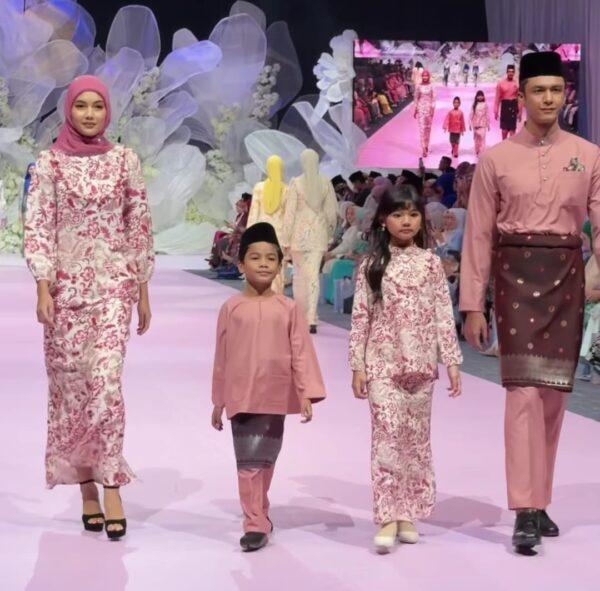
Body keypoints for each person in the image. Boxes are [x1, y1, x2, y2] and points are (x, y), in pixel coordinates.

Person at [460, 51, 600, 552]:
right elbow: (478, 234)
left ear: (565, 95)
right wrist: (472, 304)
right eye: (538, 91)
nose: (548, 99)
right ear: (521, 97)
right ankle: (524, 507)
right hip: (515, 278)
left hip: (566, 277)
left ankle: (540, 501)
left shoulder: (588, 154)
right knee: (522, 394)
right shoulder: (496, 159)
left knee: (553, 396)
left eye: (556, 90)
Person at [23, 75, 154, 540]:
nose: (91, 114)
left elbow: (138, 223)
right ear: (69, 110)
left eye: (98, 106)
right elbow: (39, 225)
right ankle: (86, 489)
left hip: (113, 287)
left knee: (106, 384)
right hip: (66, 293)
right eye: (82, 106)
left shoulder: (124, 161)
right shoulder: (49, 163)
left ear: (108, 111)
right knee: (72, 391)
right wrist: (43, 286)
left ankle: (112, 483)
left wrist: (142, 287)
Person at [350, 185, 462, 553]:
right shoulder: (372, 264)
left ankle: (407, 512)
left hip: (422, 366)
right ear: (383, 219)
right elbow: (361, 316)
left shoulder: (430, 263)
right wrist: (357, 365)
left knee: (415, 441)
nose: (406, 221)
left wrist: (452, 361)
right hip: (382, 363)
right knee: (386, 439)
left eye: (413, 214)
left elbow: (443, 313)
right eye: (398, 214)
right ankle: (387, 515)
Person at [211, 222, 326, 552]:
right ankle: (254, 523)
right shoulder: (231, 308)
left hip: (275, 394)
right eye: (255, 257)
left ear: (280, 265)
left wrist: (306, 392)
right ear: (241, 264)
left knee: (265, 459)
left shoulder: (288, 309)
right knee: (247, 461)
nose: (263, 264)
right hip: (241, 395)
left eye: (271, 258)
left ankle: (260, 511)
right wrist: (219, 399)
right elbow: (222, 356)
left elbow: (301, 352)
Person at [282, 149, 338, 333]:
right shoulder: (326, 182)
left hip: (299, 234)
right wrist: (330, 234)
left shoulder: (296, 183)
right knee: (313, 275)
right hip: (319, 234)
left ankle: (300, 315)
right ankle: (311, 317)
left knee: (299, 275)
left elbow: (290, 213)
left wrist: (285, 239)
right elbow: (332, 213)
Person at [248, 155, 288, 294]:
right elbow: (289, 217)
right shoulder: (286, 189)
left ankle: (261, 296)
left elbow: (253, 213)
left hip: (261, 234)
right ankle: (276, 297)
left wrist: (249, 236)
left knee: (260, 266)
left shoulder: (259, 188)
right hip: (279, 235)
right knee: (277, 268)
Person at [495, 64, 521, 140]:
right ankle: (504, 145)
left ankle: (511, 146)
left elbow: (520, 98)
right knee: (504, 131)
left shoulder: (517, 83)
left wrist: (520, 112)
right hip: (505, 106)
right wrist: (496, 111)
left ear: (514, 73)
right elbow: (497, 98)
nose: (511, 73)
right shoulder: (501, 83)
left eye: (512, 72)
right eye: (509, 71)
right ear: (507, 72)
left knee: (512, 131)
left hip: (513, 106)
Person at [413, 70, 436, 158]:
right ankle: (423, 148)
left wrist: (433, 108)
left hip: (429, 110)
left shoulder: (432, 86)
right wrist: (416, 109)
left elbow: (434, 98)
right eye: (423, 76)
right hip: (421, 109)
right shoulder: (418, 86)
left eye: (426, 76)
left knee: (428, 129)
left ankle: (427, 145)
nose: (425, 77)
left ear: (429, 76)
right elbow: (416, 97)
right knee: (422, 129)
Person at [470, 90, 491, 157]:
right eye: (478, 96)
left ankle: (482, 153)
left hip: (483, 124)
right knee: (476, 139)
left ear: (483, 96)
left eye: (481, 95)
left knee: (482, 139)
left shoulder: (485, 104)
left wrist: (488, 124)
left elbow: (487, 114)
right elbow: (471, 114)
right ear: (476, 97)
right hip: (475, 124)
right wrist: (470, 124)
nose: (480, 97)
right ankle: (477, 151)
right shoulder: (474, 105)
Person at [21, 163, 36, 227]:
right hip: (27, 199)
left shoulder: (39, 179)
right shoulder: (26, 180)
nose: (32, 170)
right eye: (30, 169)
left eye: (34, 169)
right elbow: (24, 192)